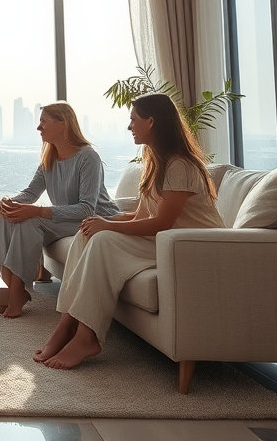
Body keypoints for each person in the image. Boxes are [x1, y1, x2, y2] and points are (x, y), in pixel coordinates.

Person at [34, 92, 225, 370]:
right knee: (87, 233)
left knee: (103, 241)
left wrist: (109, 225)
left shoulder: (180, 165)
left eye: (133, 120)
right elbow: (145, 213)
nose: (129, 126)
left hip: (191, 246)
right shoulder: (158, 161)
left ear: (151, 121)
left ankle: (86, 337)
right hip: (165, 239)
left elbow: (162, 223)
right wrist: (103, 220)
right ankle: (65, 326)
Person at [0, 101, 119, 318]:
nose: (38, 127)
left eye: (43, 122)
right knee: (9, 214)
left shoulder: (88, 157)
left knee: (30, 219)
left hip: (94, 219)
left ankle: (17, 292)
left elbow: (86, 209)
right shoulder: (50, 157)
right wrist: (9, 201)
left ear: (62, 124)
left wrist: (38, 212)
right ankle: (4, 289)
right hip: (65, 220)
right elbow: (30, 194)